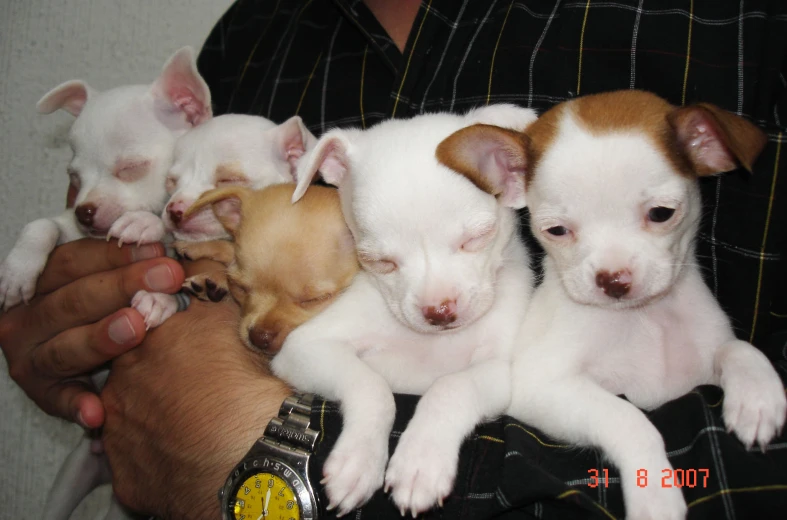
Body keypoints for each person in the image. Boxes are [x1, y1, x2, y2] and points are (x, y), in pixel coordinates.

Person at [2, 0, 786, 518]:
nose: (434, 298)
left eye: (472, 239)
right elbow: (204, 246)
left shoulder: (734, 23)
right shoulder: (250, 37)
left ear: (505, 172)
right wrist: (99, 329)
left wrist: (267, 444)